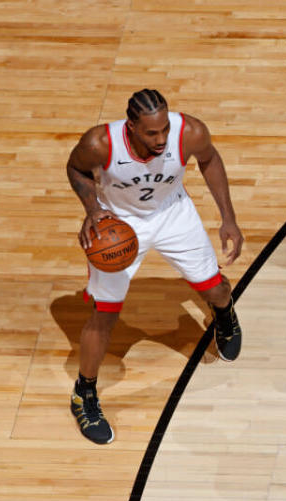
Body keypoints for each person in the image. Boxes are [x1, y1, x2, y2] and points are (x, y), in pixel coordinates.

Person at [65, 88, 243, 444]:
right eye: (151, 133)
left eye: (164, 129)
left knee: (216, 289)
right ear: (130, 126)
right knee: (105, 313)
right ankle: (83, 394)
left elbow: (210, 160)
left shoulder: (189, 132)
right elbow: (75, 168)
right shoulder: (100, 142)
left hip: (172, 213)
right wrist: (92, 209)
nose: (161, 139)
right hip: (118, 224)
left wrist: (228, 218)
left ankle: (224, 315)